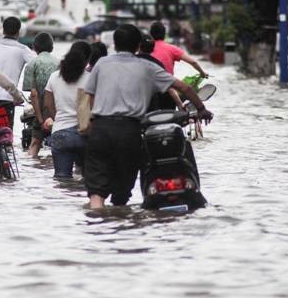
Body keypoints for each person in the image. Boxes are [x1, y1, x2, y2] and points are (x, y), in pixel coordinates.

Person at [84, 24, 213, 209]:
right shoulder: (147, 67)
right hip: (129, 132)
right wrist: (201, 109)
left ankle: (98, 225)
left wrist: (94, 121)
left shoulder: (102, 64)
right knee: (121, 194)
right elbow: (183, 88)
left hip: (100, 129)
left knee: (96, 193)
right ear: (138, 45)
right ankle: (118, 222)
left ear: (115, 44)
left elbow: (90, 95)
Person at [44, 43, 91, 178]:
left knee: (62, 179)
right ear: (87, 60)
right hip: (84, 133)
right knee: (87, 180)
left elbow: (48, 103)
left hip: (60, 133)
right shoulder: (90, 78)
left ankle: (64, 199)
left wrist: (57, 117)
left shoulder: (54, 77)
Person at [0, 16, 36, 129]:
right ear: (18, 32)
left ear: (3, 30)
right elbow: (37, 64)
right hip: (7, 99)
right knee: (5, 136)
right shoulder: (23, 50)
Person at [22, 32, 59, 157]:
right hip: (57, 112)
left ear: (34, 47)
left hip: (41, 112)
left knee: (35, 143)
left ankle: (30, 171)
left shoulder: (32, 64)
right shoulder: (59, 63)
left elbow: (34, 95)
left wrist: (40, 119)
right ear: (52, 47)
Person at [137, 34, 184, 111]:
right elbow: (169, 87)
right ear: (152, 49)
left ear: (138, 47)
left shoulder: (129, 62)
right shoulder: (157, 64)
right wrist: (180, 105)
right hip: (153, 110)